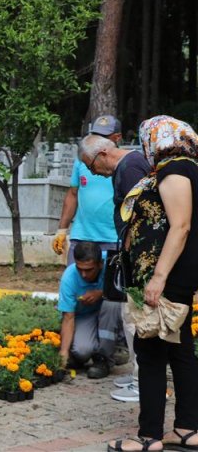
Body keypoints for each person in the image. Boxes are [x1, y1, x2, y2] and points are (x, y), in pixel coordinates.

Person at [106, 116, 198, 452]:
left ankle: (148, 437)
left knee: (151, 352)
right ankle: (187, 429)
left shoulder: (175, 169)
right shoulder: (187, 167)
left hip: (167, 276)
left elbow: (181, 226)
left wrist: (158, 277)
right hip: (176, 273)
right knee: (180, 350)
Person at [79, 130, 152, 402]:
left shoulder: (130, 167)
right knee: (129, 316)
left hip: (140, 260)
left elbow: (141, 216)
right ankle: (137, 375)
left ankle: (143, 382)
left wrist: (131, 252)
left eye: (91, 166)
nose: (93, 173)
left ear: (102, 154)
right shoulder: (125, 167)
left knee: (137, 320)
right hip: (133, 257)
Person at [52, 115, 122, 265]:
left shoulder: (125, 164)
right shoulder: (82, 161)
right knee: (77, 277)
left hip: (113, 238)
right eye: (95, 135)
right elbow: (73, 194)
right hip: (81, 237)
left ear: (117, 138)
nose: (97, 140)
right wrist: (62, 230)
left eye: (103, 136)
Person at [57, 241, 122, 379]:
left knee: (112, 303)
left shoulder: (112, 264)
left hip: (109, 313)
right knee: (82, 351)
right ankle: (100, 348)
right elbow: (68, 317)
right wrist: (63, 353)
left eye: (89, 270)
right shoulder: (69, 278)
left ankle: (104, 359)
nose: (83, 275)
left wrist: (101, 293)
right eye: (79, 269)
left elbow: (124, 292)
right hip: (85, 316)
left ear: (100, 264)